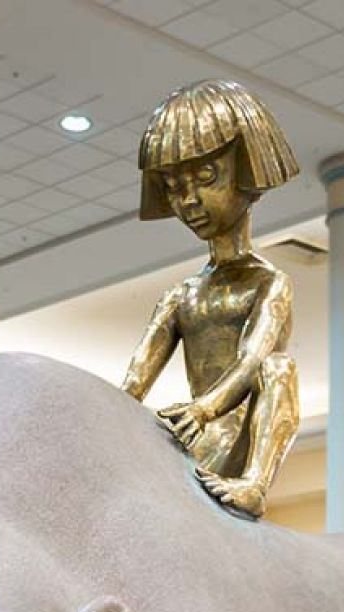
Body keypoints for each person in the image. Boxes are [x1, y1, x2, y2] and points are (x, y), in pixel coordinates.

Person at [122, 79, 301, 519]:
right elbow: (131, 387)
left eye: (205, 178)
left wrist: (205, 409)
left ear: (245, 172)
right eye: (173, 186)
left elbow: (253, 359)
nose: (188, 201)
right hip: (193, 437)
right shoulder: (180, 297)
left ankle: (255, 484)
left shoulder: (270, 283)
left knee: (280, 368)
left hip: (234, 430)